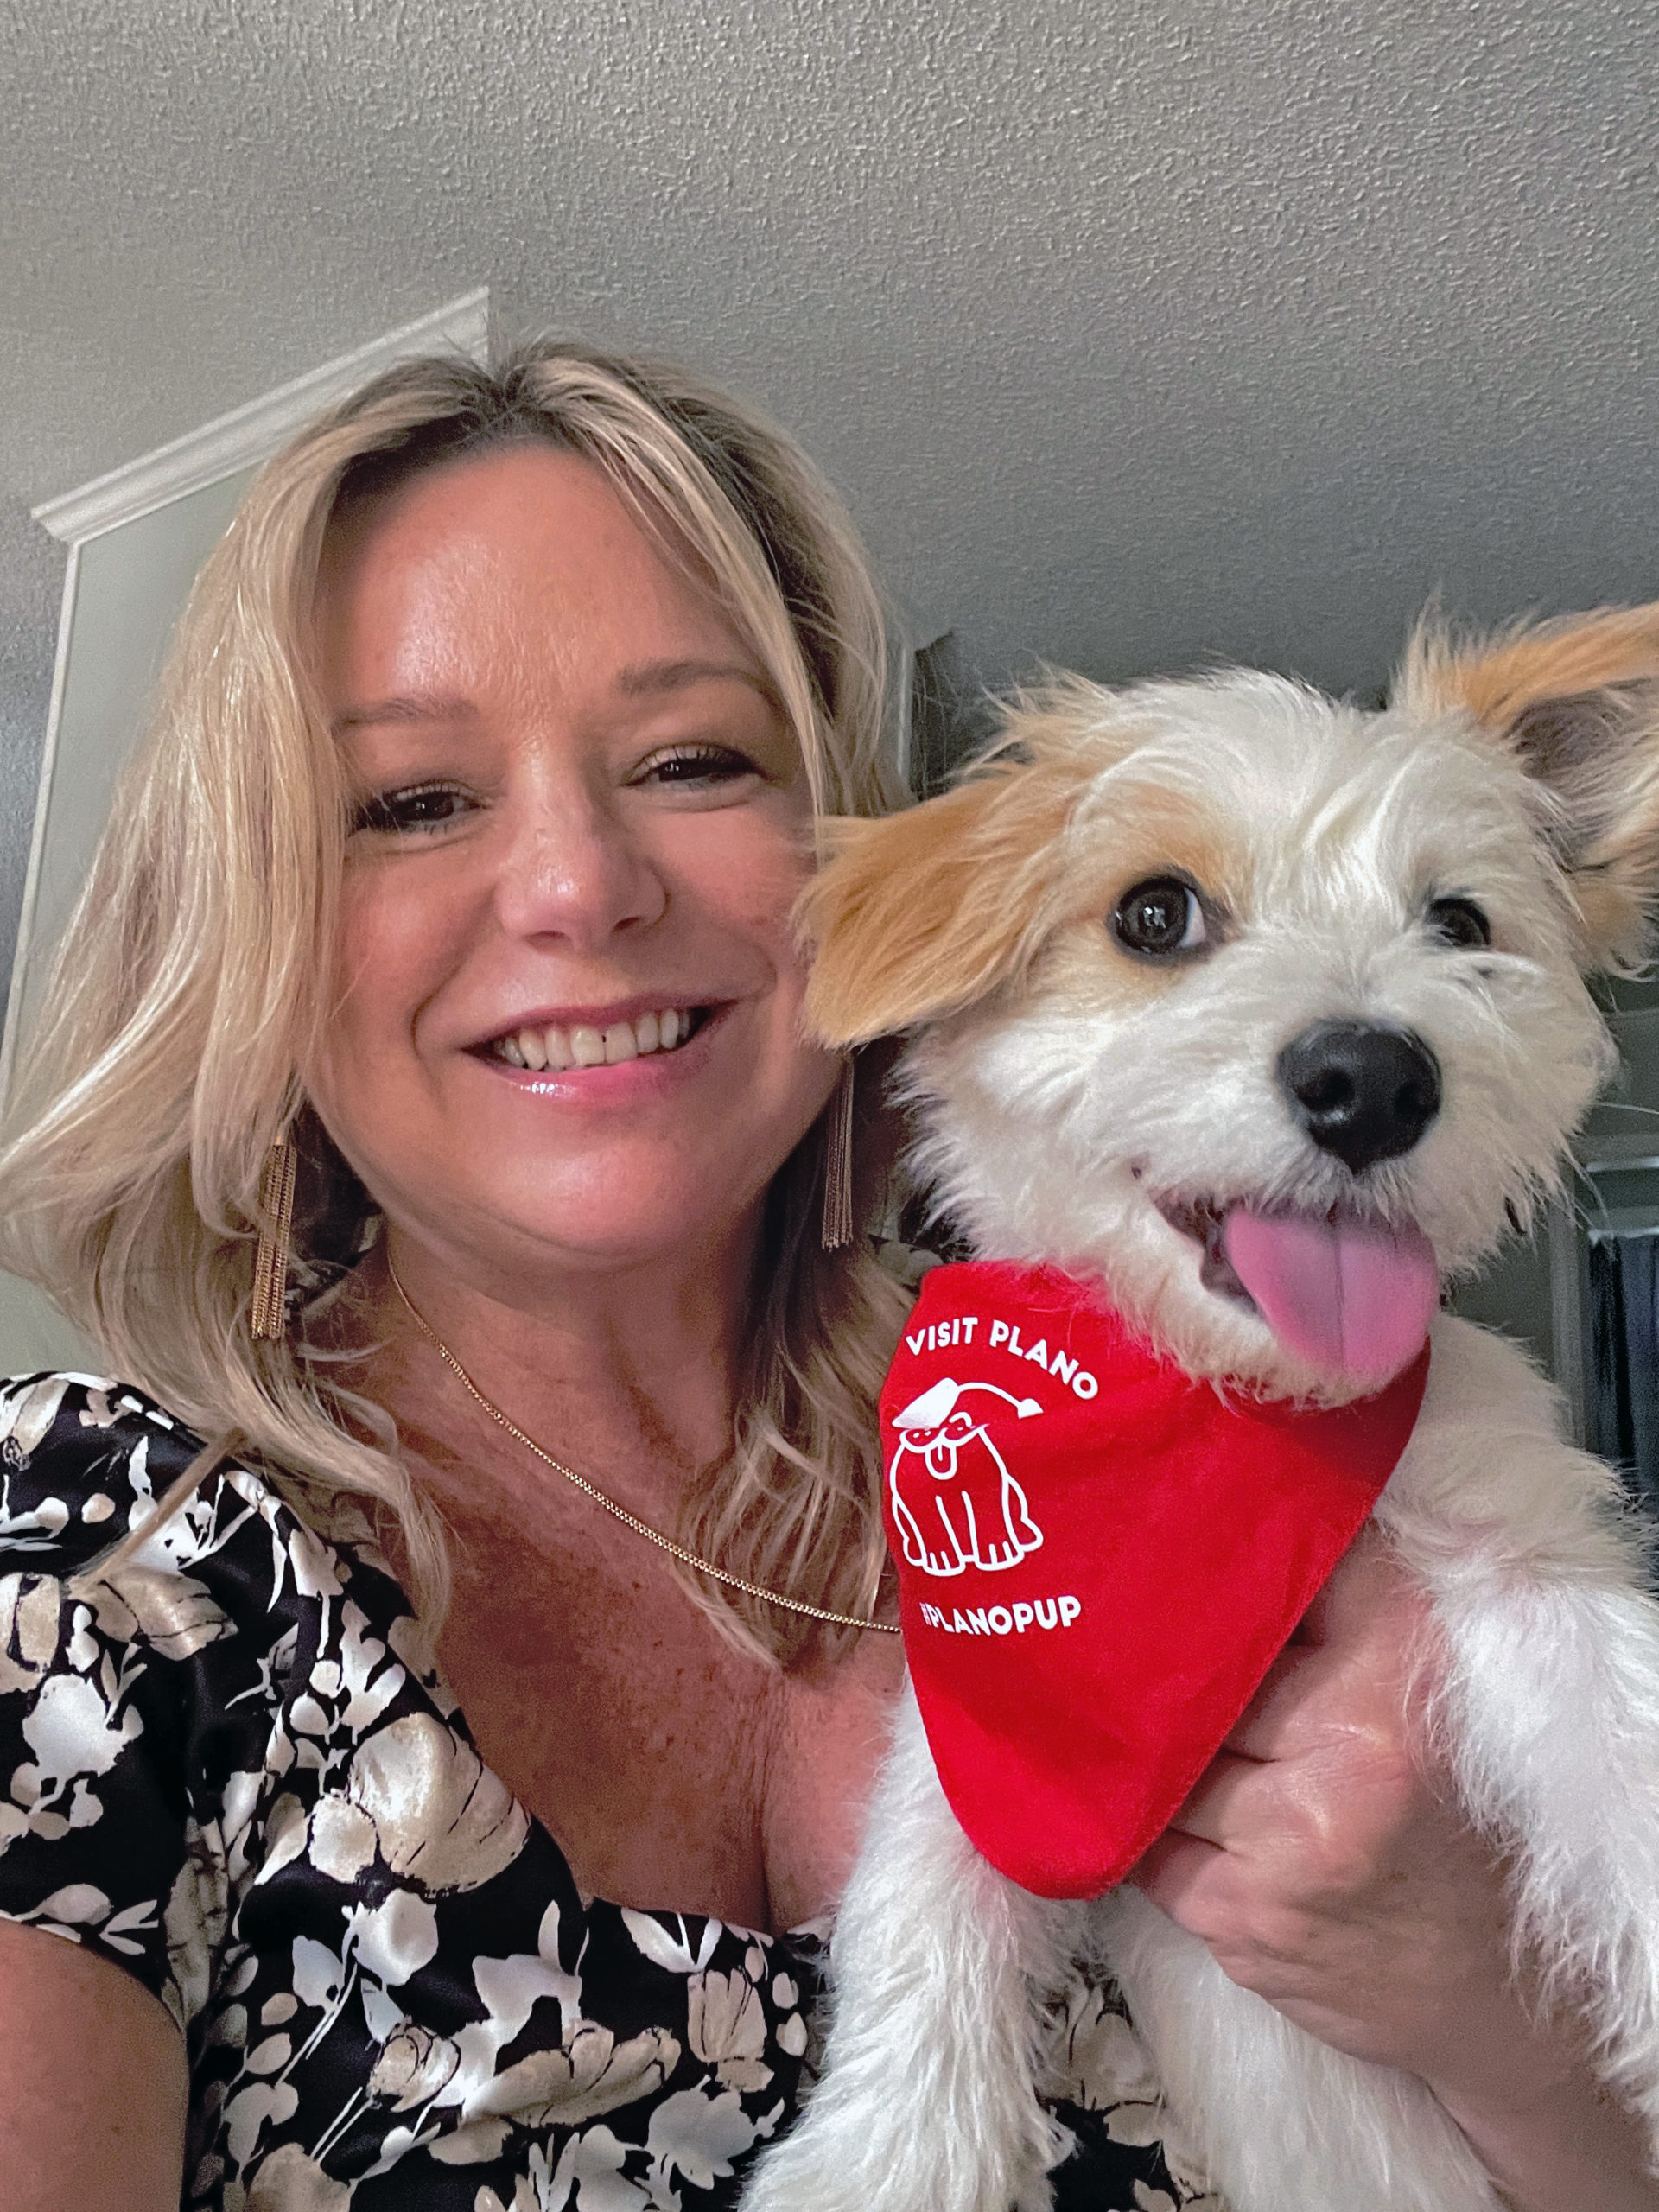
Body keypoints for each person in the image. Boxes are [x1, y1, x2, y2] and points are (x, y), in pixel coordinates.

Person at [0, 345, 1650, 2212]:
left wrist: (1487, 2011)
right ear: (255, 921)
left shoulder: (1109, 1429)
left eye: (693, 758)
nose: (574, 888)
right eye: (411, 800)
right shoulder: (89, 1567)